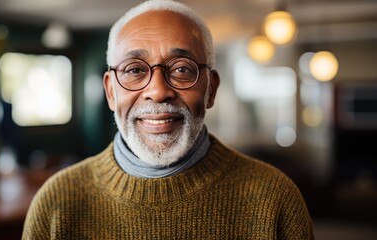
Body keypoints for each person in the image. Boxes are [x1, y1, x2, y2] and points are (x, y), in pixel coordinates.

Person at [22, 0, 315, 239]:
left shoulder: (274, 198)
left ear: (211, 88)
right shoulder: (57, 203)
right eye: (135, 70)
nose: (159, 91)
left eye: (182, 69)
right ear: (111, 92)